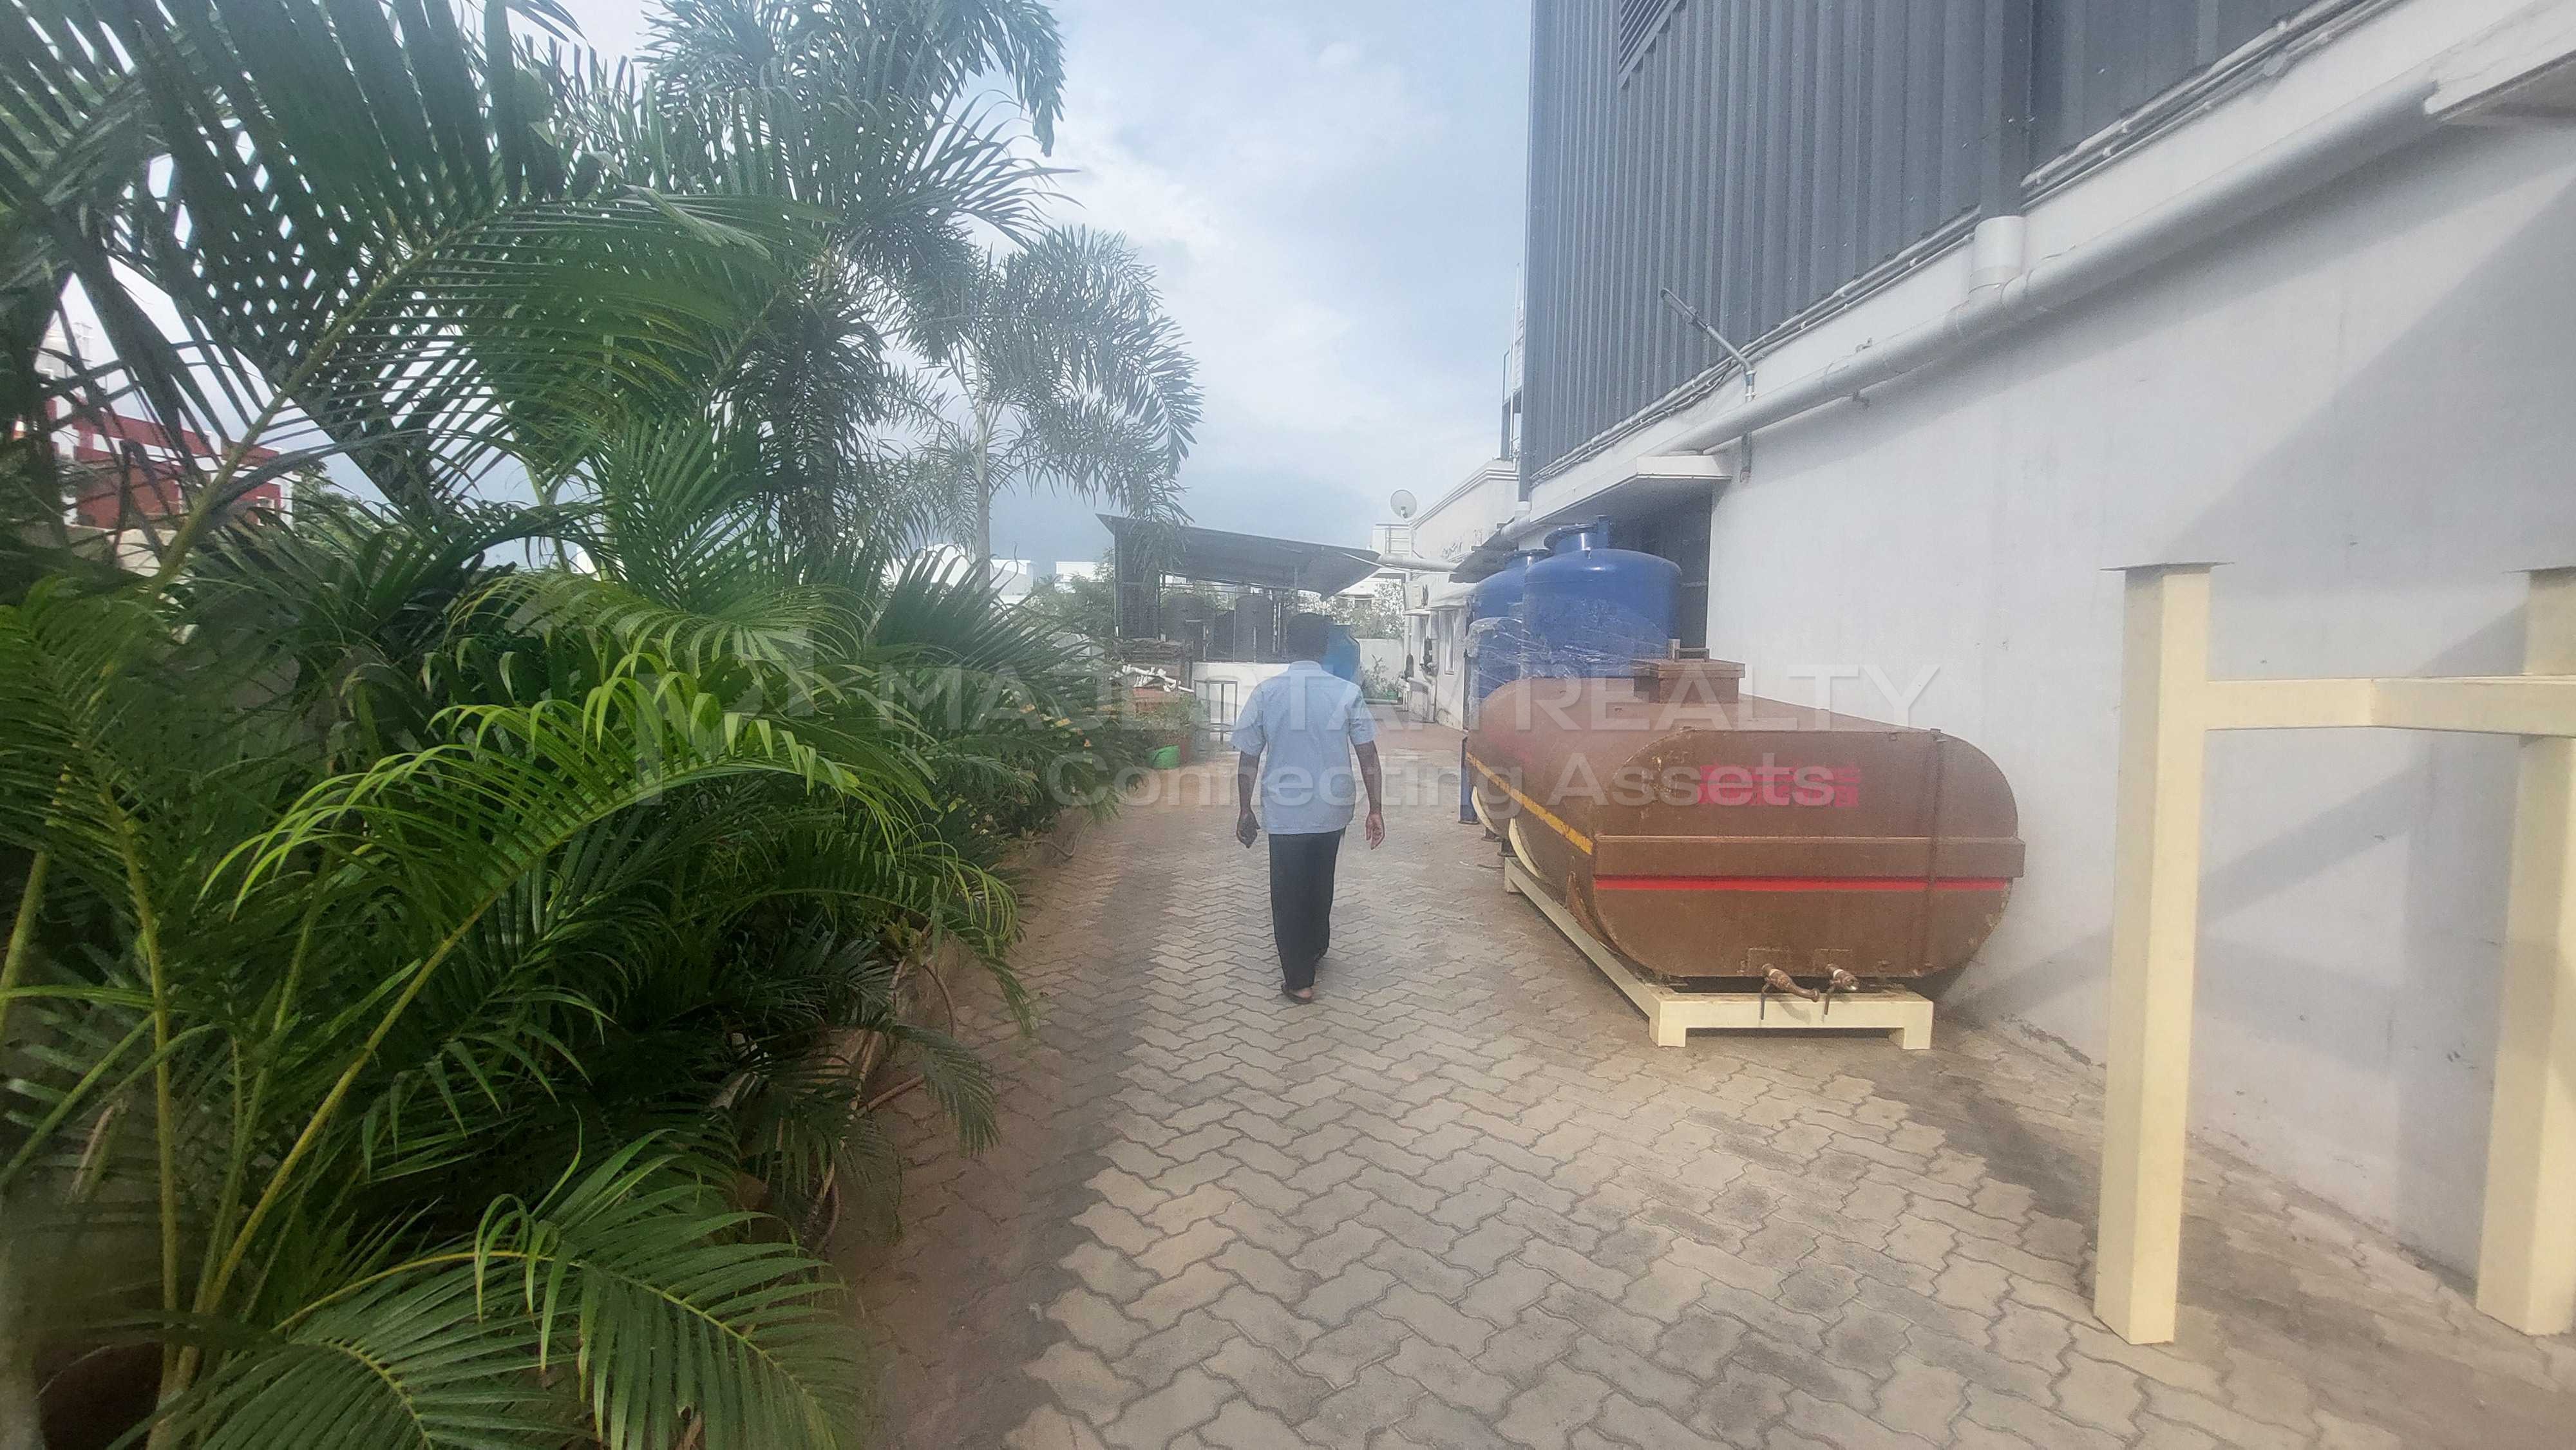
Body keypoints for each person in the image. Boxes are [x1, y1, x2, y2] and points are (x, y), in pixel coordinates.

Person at [1233, 614, 1385, 1004]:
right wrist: (1376, 809)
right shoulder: (1346, 692)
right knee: (1320, 881)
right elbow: (1368, 755)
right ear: (1324, 648)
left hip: (1286, 811)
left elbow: (1249, 757)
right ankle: (1315, 948)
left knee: (1289, 893)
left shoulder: (1267, 693)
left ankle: (1299, 980)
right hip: (1333, 808)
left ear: (1287, 647)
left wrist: (1245, 809)